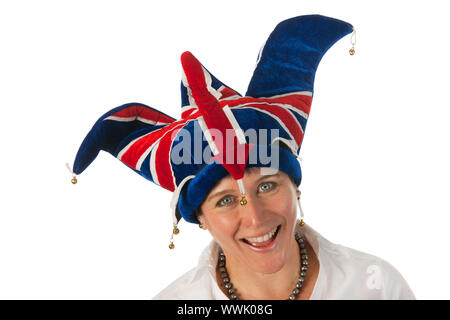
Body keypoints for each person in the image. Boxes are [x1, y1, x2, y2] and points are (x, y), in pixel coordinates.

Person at [69, 15, 415, 300]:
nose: (255, 218)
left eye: (266, 186)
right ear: (200, 217)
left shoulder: (376, 287)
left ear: (295, 188)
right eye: (225, 200)